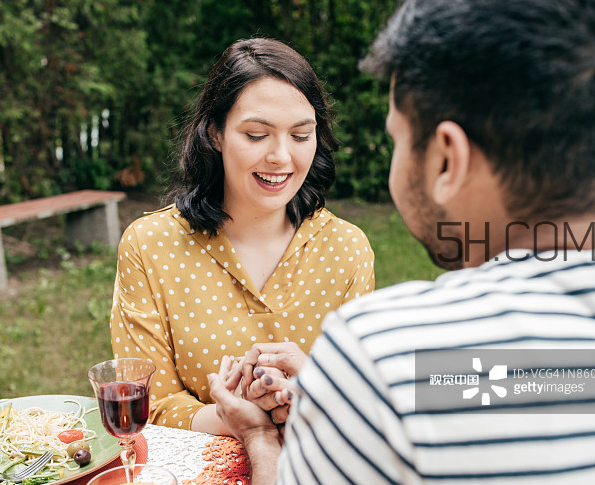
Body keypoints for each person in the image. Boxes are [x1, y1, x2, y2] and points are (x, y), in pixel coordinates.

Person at [208, 0, 595, 483]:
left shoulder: (384, 355)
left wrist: (262, 436)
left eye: (398, 137)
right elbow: (534, 380)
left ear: (445, 160)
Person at [109, 38, 375, 435]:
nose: (281, 157)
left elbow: (365, 399)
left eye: (301, 136)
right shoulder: (149, 246)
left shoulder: (347, 249)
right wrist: (234, 417)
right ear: (214, 133)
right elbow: (152, 404)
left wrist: (316, 390)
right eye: (256, 135)